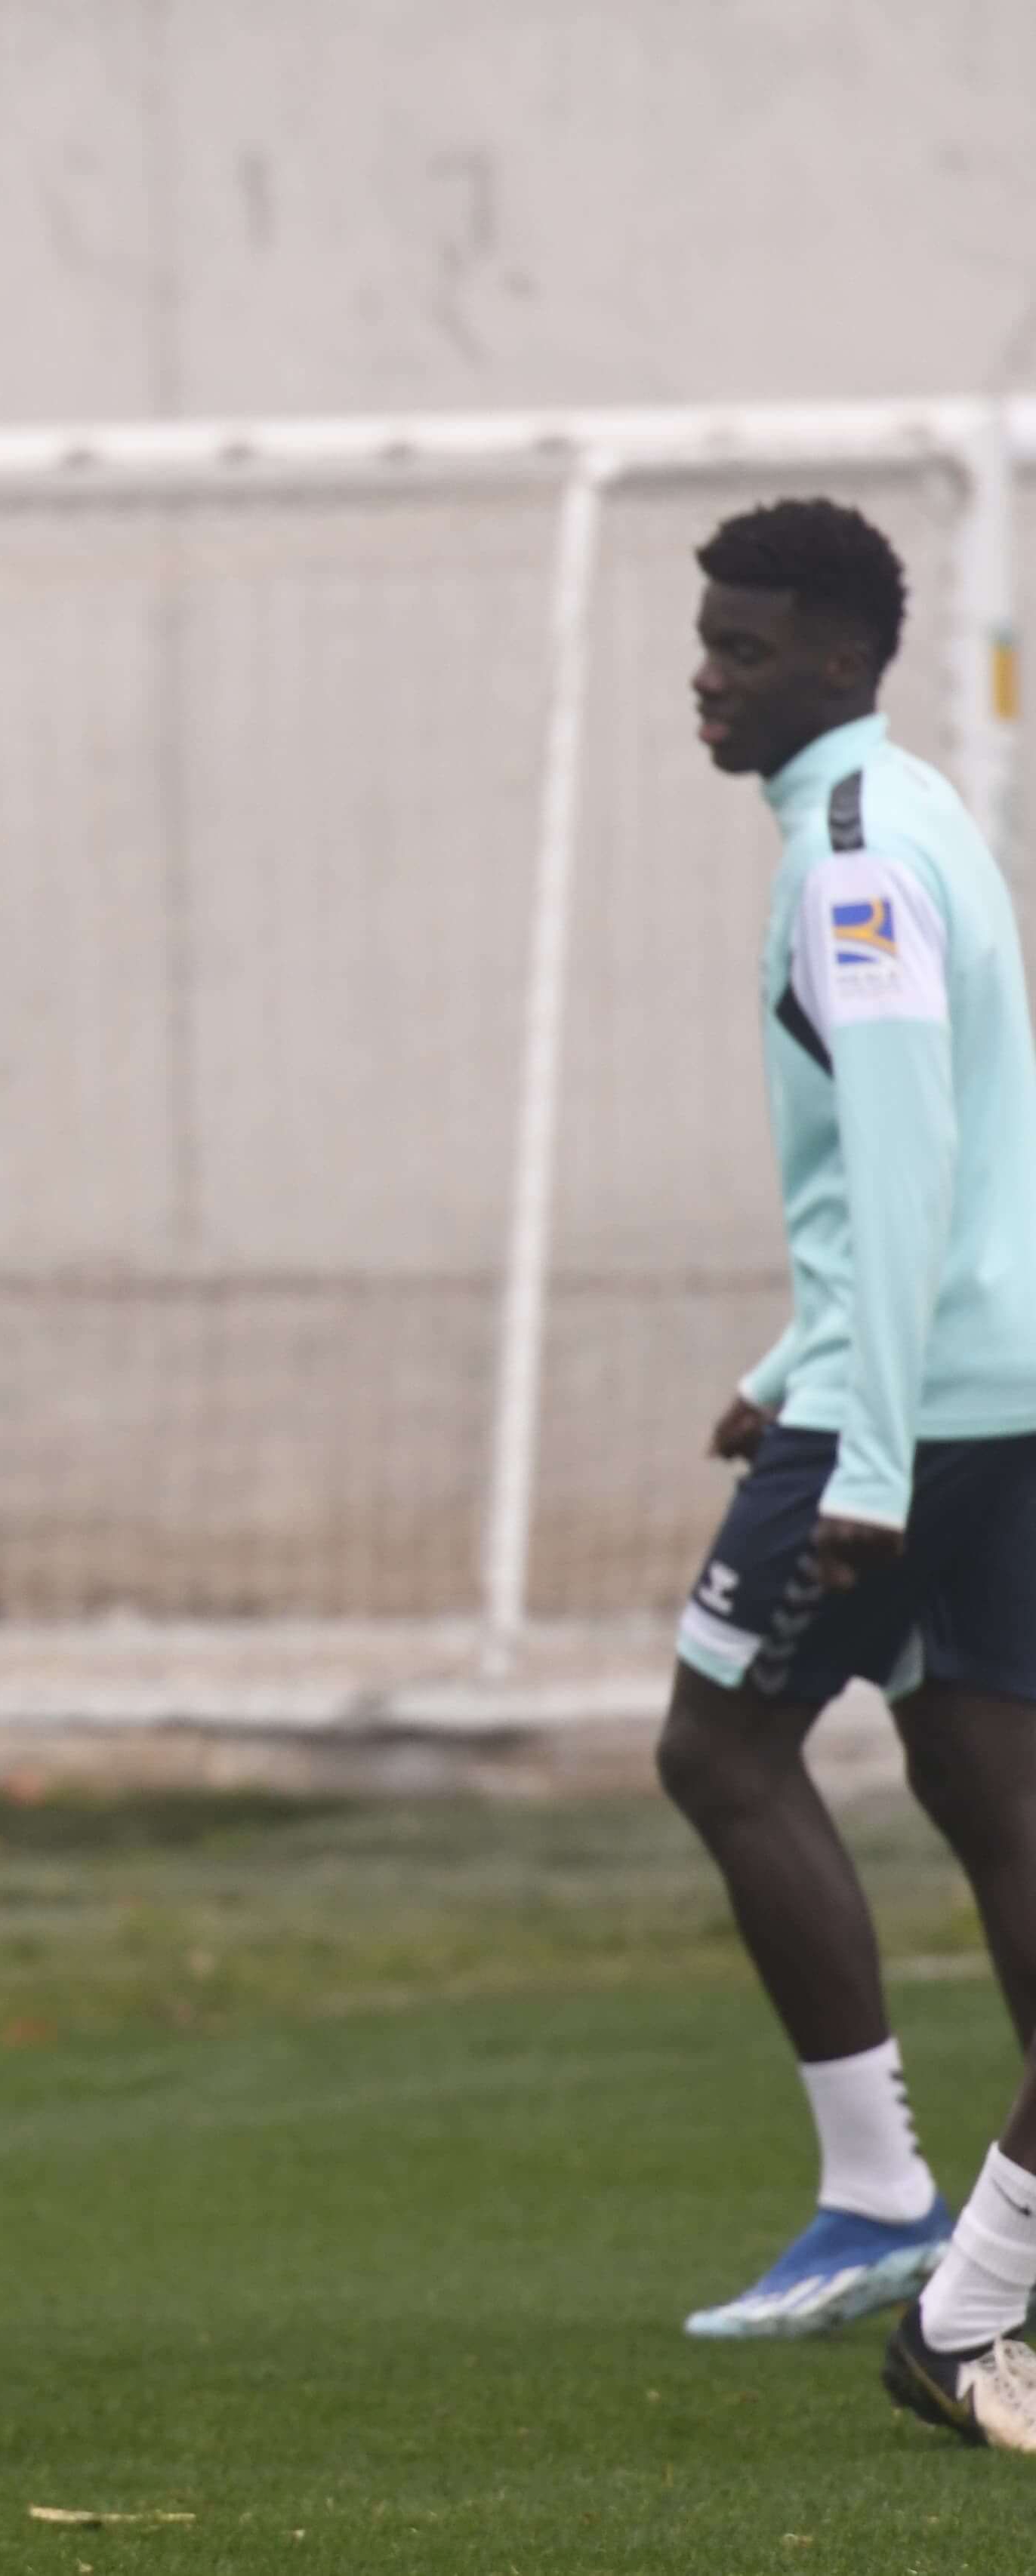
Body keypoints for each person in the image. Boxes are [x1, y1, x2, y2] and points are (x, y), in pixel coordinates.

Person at [619, 501, 1036, 2426]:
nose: (708, 676)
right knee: (976, 1773)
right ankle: (994, 2266)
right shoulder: (910, 810)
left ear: (848, 660)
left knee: (716, 1744)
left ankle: (881, 2199)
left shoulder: (851, 866)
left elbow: (897, 1157)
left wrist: (849, 1442)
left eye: (747, 648)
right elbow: (940, 1145)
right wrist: (785, 1356)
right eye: (706, 642)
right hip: (986, 1388)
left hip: (916, 1417)